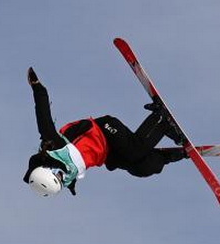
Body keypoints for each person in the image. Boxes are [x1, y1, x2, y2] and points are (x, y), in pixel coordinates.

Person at [23, 67, 186, 197]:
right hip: (108, 153)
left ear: (49, 168)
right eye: (60, 181)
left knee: (135, 150)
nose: (62, 177)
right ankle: (167, 155)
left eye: (57, 175)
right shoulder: (65, 179)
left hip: (103, 130)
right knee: (141, 168)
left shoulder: (53, 146)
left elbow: (43, 115)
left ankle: (161, 119)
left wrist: (37, 88)